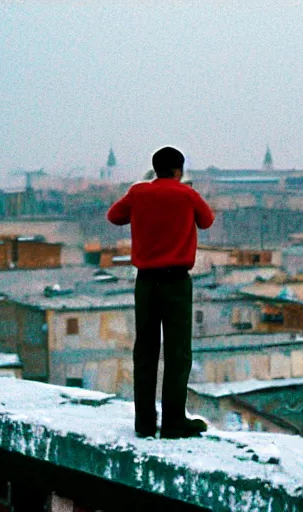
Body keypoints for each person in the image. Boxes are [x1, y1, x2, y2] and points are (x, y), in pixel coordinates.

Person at [107, 146, 215, 439]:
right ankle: (173, 422)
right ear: (179, 170)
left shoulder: (139, 193)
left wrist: (140, 193)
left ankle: (144, 422)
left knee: (145, 351)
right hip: (177, 282)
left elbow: (114, 216)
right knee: (177, 353)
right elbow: (207, 221)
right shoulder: (186, 194)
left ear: (155, 169)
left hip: (145, 282)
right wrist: (185, 194)